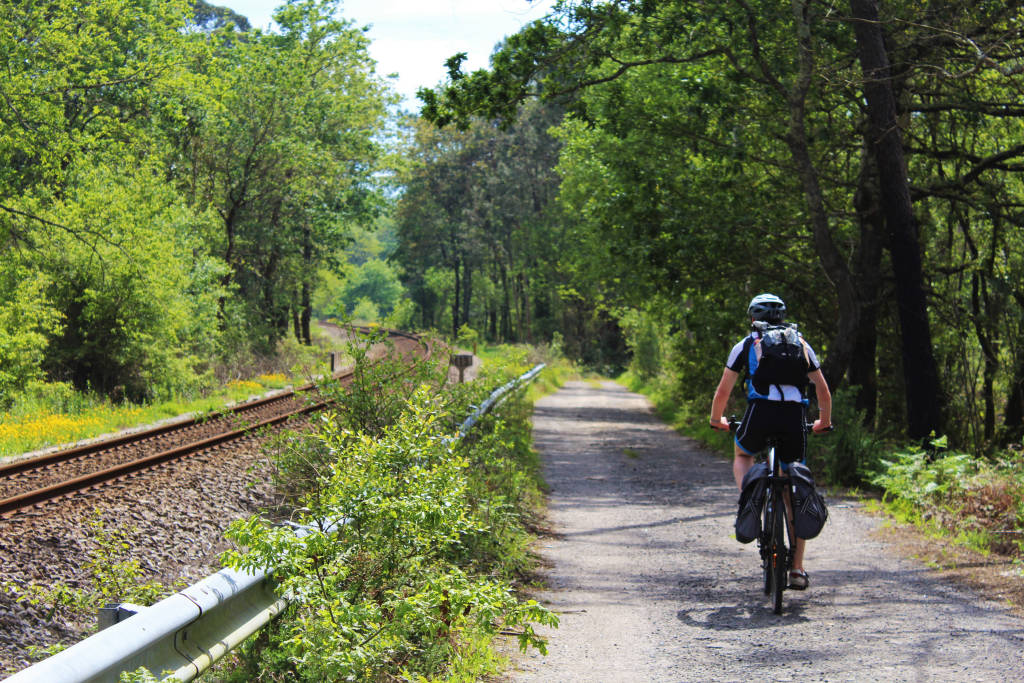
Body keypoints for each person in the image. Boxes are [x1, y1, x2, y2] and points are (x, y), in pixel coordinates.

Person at [709, 293, 832, 590]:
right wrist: (822, 423)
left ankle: (753, 494)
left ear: (753, 318)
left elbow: (724, 390)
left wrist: (717, 420)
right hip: (793, 418)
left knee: (742, 452)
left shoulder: (747, 343)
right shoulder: (801, 343)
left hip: (760, 412)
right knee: (795, 495)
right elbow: (824, 392)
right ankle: (798, 570)